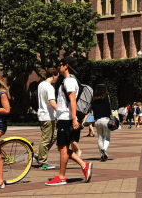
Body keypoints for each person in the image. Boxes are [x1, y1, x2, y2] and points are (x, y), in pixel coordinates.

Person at [46, 56, 92, 186]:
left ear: (66, 66)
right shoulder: (68, 81)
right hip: (64, 118)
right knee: (62, 148)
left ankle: (62, 176)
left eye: (61, 64)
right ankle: (84, 165)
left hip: (66, 118)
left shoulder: (69, 81)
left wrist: (73, 120)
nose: (59, 66)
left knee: (63, 148)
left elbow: (72, 100)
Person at [36, 68, 60, 170]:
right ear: (54, 75)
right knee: (46, 139)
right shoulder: (49, 87)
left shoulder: (41, 84)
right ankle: (43, 162)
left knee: (54, 136)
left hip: (44, 114)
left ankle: (40, 155)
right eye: (57, 77)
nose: (57, 79)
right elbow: (52, 102)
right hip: (48, 116)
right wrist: (62, 112)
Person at [91, 84, 113, 162]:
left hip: (97, 120)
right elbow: (109, 108)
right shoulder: (107, 96)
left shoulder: (94, 98)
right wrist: (111, 118)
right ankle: (104, 149)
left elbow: (92, 109)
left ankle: (102, 155)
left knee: (100, 138)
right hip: (106, 119)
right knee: (107, 137)